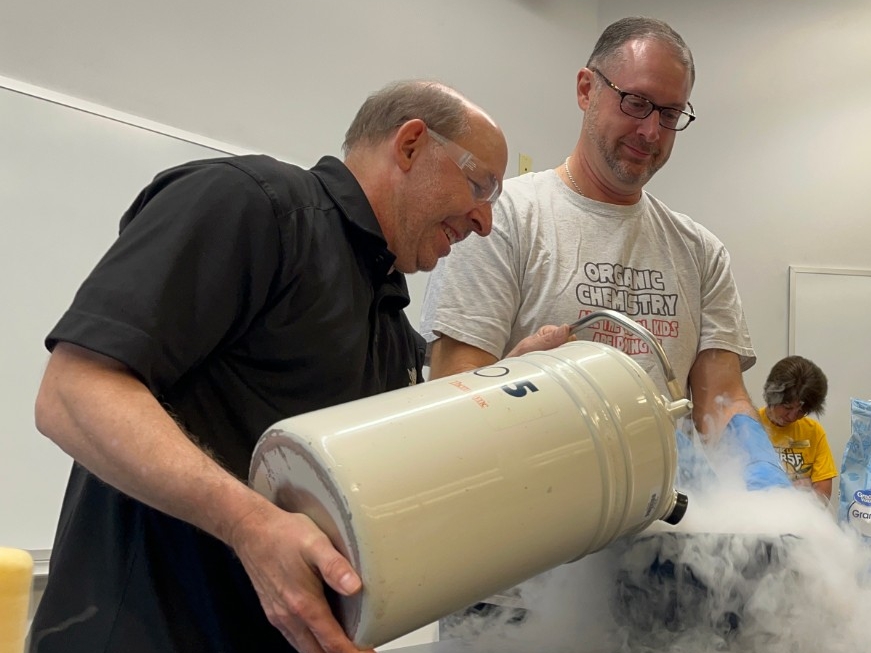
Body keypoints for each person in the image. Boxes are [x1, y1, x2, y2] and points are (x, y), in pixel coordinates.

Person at [29, 79, 572, 653]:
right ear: (411, 144)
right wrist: (251, 525)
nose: (485, 221)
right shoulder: (252, 205)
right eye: (481, 185)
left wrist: (511, 384)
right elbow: (72, 393)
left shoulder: (386, 319)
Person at [420, 17, 789, 491]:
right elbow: (451, 395)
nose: (651, 131)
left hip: (665, 529)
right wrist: (512, 381)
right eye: (636, 103)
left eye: (670, 115)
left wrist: (764, 480)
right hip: (538, 533)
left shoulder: (700, 252)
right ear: (585, 89)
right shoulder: (501, 221)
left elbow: (720, 400)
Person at [759, 355, 837, 500]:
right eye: (787, 407)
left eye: (801, 411)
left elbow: (823, 493)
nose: (792, 417)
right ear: (771, 396)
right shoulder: (751, 426)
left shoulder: (813, 432)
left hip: (800, 517)